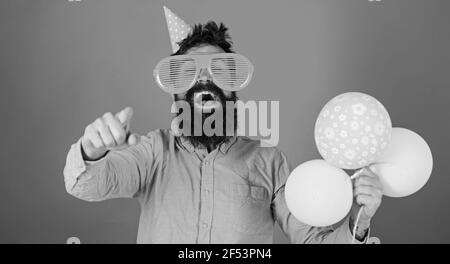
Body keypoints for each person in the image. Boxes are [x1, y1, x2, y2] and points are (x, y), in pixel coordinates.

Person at [63, 19, 383, 243]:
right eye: (188, 73)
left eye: (219, 71)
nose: (205, 80)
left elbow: (313, 242)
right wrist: (92, 151)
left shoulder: (270, 163)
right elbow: (85, 184)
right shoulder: (153, 152)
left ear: (233, 89)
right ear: (175, 91)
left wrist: (359, 221)